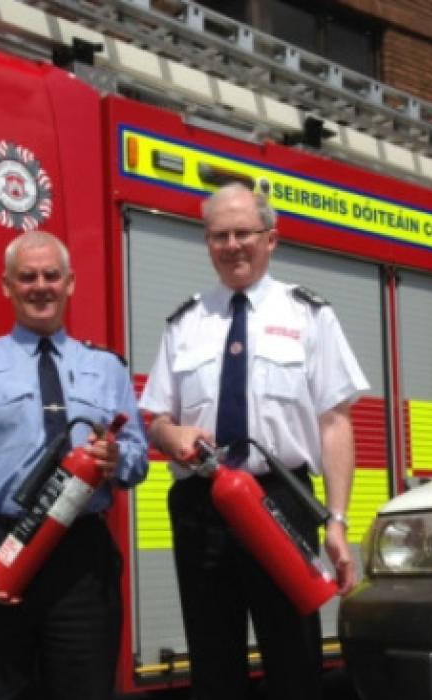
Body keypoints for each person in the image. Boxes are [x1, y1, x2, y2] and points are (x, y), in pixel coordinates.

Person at [139, 182, 368, 700]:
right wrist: (170, 434)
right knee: (212, 660)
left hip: (280, 498)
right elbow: (155, 418)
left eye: (244, 232)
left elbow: (335, 421)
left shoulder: (308, 314)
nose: (232, 244)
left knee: (294, 659)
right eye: (219, 235)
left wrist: (336, 519)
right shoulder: (186, 323)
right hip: (202, 504)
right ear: (207, 243)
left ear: (271, 239)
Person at [0, 230, 149, 700]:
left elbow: (138, 459)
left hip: (80, 561)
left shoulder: (107, 367)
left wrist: (117, 459)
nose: (40, 286)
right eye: (26, 277)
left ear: (70, 283)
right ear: (6, 286)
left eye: (51, 275)